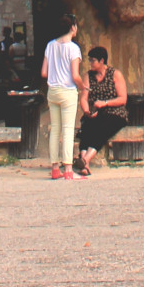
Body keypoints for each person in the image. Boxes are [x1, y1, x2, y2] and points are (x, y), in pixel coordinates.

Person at [41, 14, 83, 182]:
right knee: (67, 129)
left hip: (52, 91)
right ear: (72, 27)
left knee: (55, 128)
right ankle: (68, 169)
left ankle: (54, 168)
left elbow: (44, 72)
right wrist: (83, 87)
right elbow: (75, 75)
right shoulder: (73, 48)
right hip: (68, 92)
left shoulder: (50, 45)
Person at [76, 46, 129, 175]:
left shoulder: (115, 74)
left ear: (101, 61)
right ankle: (85, 165)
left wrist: (105, 103)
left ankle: (85, 159)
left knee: (102, 129)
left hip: (114, 112)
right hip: (95, 112)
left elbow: (123, 99)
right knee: (87, 127)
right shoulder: (88, 76)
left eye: (93, 60)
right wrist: (87, 111)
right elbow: (84, 98)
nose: (90, 63)